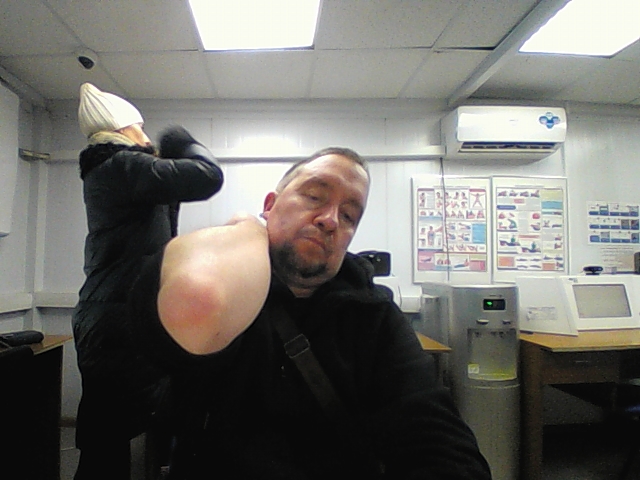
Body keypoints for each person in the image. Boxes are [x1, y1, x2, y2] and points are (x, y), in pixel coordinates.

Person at [128, 147, 492, 479]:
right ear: (270, 205)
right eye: (314, 196)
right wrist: (247, 228)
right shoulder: (229, 289)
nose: (330, 220)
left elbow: (438, 442)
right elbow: (196, 302)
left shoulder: (373, 317)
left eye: (348, 216)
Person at [72, 83, 224, 479]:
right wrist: (184, 144)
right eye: (138, 126)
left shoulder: (112, 171)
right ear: (122, 128)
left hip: (112, 317)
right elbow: (207, 176)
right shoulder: (121, 165)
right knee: (111, 442)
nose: (144, 134)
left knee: (111, 438)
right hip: (118, 323)